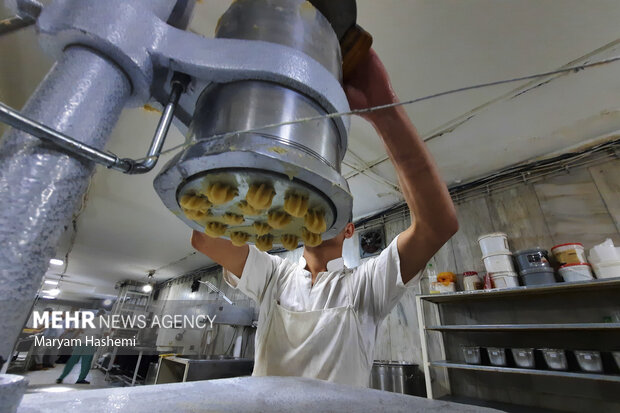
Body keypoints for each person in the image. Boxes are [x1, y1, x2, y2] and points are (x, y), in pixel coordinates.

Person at [191, 49, 458, 387]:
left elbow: (439, 225)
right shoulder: (273, 275)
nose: (317, 216)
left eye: (331, 210)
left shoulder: (365, 286)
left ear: (349, 230)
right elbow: (205, 238)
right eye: (312, 208)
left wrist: (382, 108)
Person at [56, 310, 104, 384]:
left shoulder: (89, 320)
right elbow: (105, 334)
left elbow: (79, 330)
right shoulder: (103, 322)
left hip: (81, 342)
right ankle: (80, 379)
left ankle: (61, 377)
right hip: (90, 343)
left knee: (72, 360)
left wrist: (72, 339)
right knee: (86, 362)